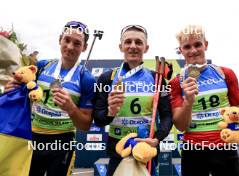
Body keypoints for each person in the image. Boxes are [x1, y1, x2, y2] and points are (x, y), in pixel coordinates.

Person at [4, 21, 96, 176]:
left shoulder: (87, 79)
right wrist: (10, 89)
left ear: (84, 47)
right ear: (60, 39)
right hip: (32, 137)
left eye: (77, 43)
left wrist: (71, 108)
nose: (70, 47)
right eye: (67, 40)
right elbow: (20, 89)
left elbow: (86, 125)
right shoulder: (41, 66)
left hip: (63, 142)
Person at [93, 25, 172, 176]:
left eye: (138, 42)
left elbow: (167, 115)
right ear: (121, 46)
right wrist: (110, 112)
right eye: (128, 42)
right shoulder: (107, 78)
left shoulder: (157, 79)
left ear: (146, 47)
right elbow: (98, 119)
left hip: (146, 149)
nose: (133, 46)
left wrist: (157, 139)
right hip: (117, 150)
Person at [169, 25, 239, 176]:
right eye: (187, 46)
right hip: (193, 150)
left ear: (206, 45)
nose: (193, 50)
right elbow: (181, 126)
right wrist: (188, 102)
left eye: (197, 44)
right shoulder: (176, 83)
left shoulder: (225, 73)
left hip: (225, 146)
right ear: (181, 50)